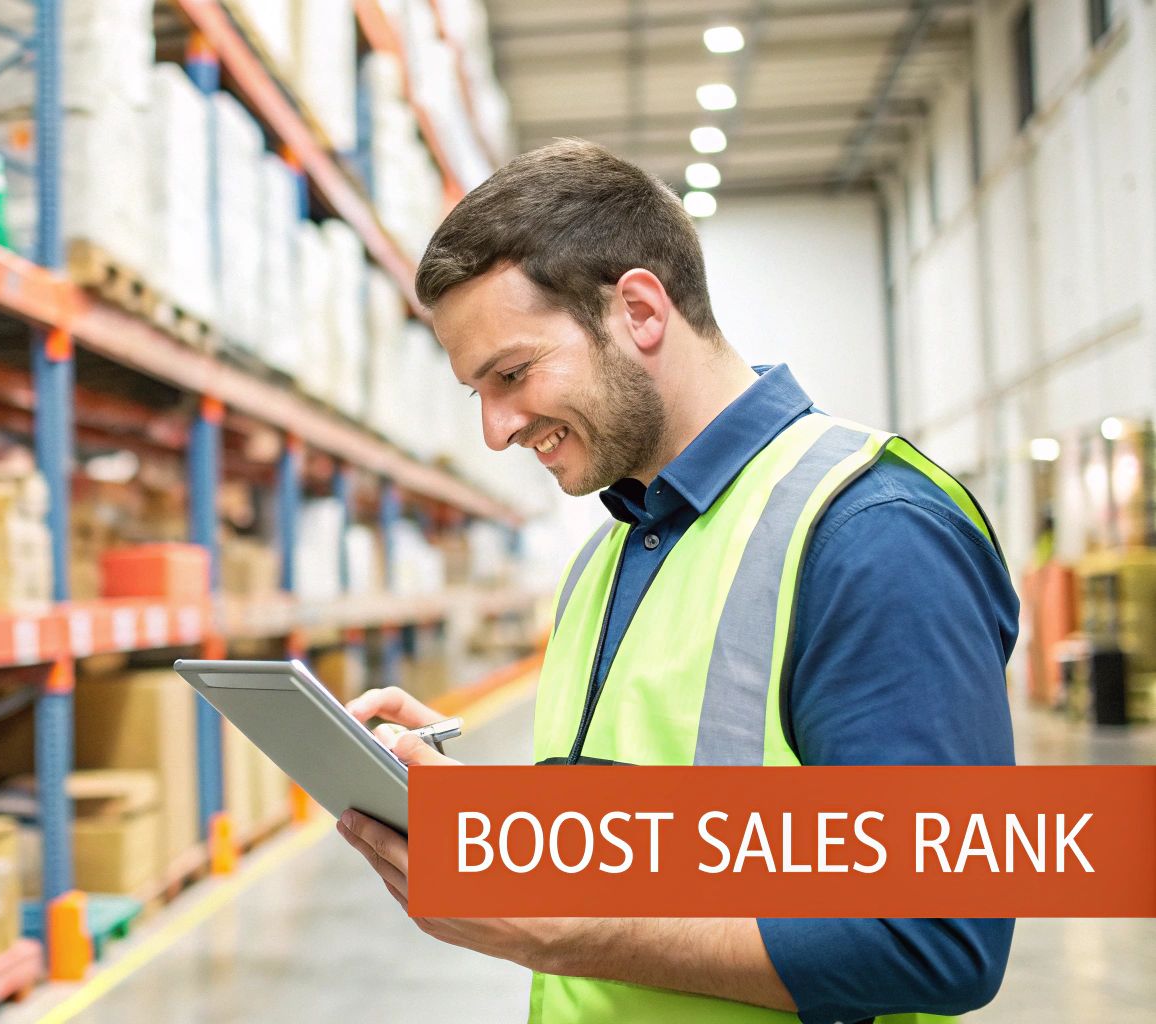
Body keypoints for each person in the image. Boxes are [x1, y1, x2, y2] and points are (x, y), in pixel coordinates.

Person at [334, 139, 1018, 1024]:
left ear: (640, 311)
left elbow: (937, 936)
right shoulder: (611, 555)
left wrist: (559, 928)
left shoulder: (870, 533)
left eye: (512, 374)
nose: (496, 430)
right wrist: (502, 823)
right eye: (479, 393)